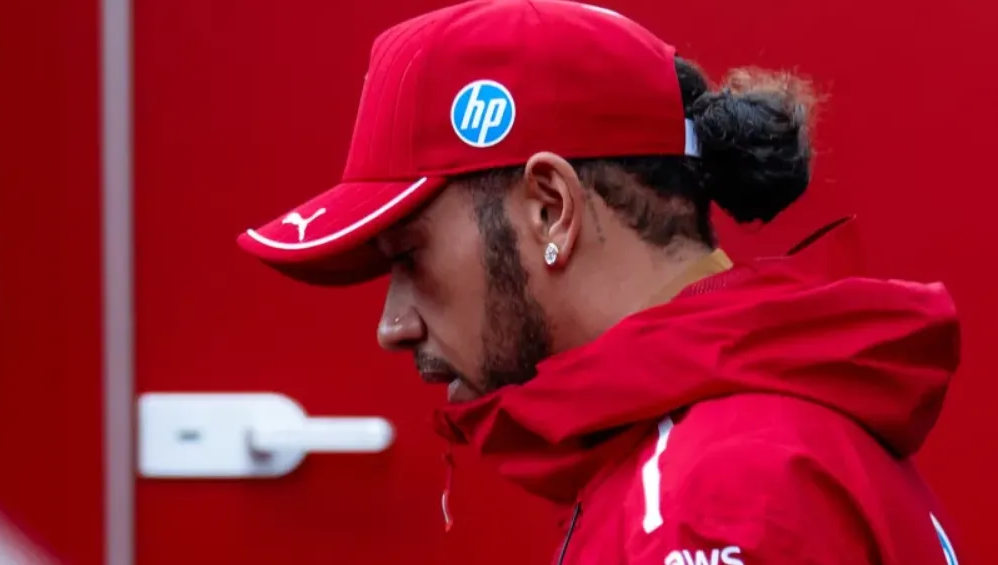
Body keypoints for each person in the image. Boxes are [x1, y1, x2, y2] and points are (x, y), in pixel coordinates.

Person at [237, 1, 963, 563]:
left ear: (551, 208)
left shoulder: (711, 496)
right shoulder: (741, 439)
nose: (393, 325)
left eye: (409, 256)